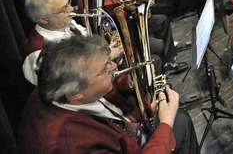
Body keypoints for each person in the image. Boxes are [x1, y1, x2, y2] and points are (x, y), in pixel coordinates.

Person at [19, 35, 198, 153]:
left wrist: (140, 105)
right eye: (105, 69)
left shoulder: (60, 90)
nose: (113, 68)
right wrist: (166, 122)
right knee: (179, 121)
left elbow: (108, 112)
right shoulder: (69, 143)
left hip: (130, 138)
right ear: (75, 93)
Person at [82, 0, 188, 74]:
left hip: (130, 24)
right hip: (122, 35)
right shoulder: (94, 0)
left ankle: (168, 63)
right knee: (158, 45)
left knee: (161, 20)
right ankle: (159, 70)